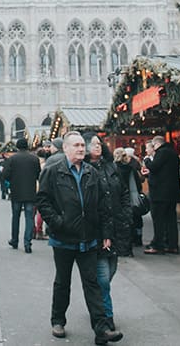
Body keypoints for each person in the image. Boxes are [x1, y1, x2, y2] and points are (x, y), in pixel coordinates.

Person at [36, 131, 123, 344]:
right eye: (76, 145)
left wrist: (106, 234)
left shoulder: (91, 173)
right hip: (63, 240)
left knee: (92, 283)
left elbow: (103, 205)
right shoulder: (53, 172)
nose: (81, 148)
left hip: (89, 238)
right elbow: (43, 201)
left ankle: (102, 329)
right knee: (62, 282)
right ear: (65, 148)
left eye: (82, 145)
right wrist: (58, 222)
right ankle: (58, 320)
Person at [87, 134, 130, 332]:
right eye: (93, 143)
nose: (97, 146)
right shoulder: (85, 169)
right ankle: (106, 318)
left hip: (116, 228)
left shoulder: (111, 166)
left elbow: (124, 193)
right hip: (97, 232)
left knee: (110, 271)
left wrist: (126, 214)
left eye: (99, 143)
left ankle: (97, 303)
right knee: (103, 278)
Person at [143, 135, 180, 255]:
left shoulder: (162, 152)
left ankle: (158, 245)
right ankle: (172, 244)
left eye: (153, 146)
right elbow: (162, 171)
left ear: (157, 144)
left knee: (158, 219)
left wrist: (147, 160)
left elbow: (154, 167)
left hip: (160, 193)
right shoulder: (173, 153)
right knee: (170, 220)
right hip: (172, 193)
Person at [4, 137, 42, 253]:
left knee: (16, 217)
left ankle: (14, 240)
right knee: (29, 217)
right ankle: (27, 243)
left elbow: (5, 174)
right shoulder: (34, 159)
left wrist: (12, 181)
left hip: (16, 192)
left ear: (17, 146)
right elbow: (38, 175)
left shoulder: (12, 159)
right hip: (30, 192)